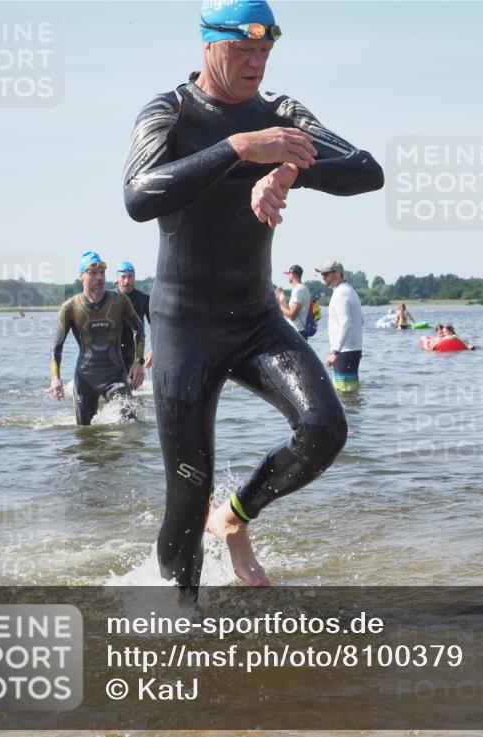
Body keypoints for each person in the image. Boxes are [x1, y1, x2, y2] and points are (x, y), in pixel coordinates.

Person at [122, 0, 383, 594]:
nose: (256, 64)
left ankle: (235, 516)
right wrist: (240, 148)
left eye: (265, 51)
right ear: (209, 44)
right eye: (243, 50)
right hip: (184, 329)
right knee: (188, 491)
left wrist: (290, 167)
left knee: (324, 429)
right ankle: (177, 620)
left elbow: (366, 170)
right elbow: (139, 195)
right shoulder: (169, 111)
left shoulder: (282, 114)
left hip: (256, 321)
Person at [49, 251, 145, 426]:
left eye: (102, 272)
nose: (99, 277)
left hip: (115, 376)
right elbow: (56, 347)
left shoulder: (119, 301)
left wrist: (138, 362)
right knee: (83, 431)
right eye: (93, 273)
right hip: (85, 378)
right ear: (82, 277)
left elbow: (139, 330)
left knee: (130, 425)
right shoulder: (70, 307)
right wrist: (55, 378)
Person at [318, 260, 364, 392]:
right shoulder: (350, 290)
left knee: (344, 392)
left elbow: (346, 322)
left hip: (344, 352)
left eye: (326, 274)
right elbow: (361, 320)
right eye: (322, 274)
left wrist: (335, 351)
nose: (323, 277)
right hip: (353, 350)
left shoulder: (340, 293)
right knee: (351, 391)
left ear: (338, 274)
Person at [115, 261, 152, 388]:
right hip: (112, 355)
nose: (126, 281)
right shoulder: (109, 298)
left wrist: (152, 351)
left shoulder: (144, 299)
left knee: (132, 392)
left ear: (134, 277)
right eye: (123, 277)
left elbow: (156, 328)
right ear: (117, 278)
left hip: (133, 354)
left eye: (130, 276)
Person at [275, 264, 311, 339]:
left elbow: (292, 316)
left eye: (288, 274)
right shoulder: (303, 288)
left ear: (292, 274)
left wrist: (280, 306)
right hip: (299, 331)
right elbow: (290, 311)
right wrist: (282, 299)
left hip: (296, 332)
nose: (287, 276)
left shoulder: (298, 290)